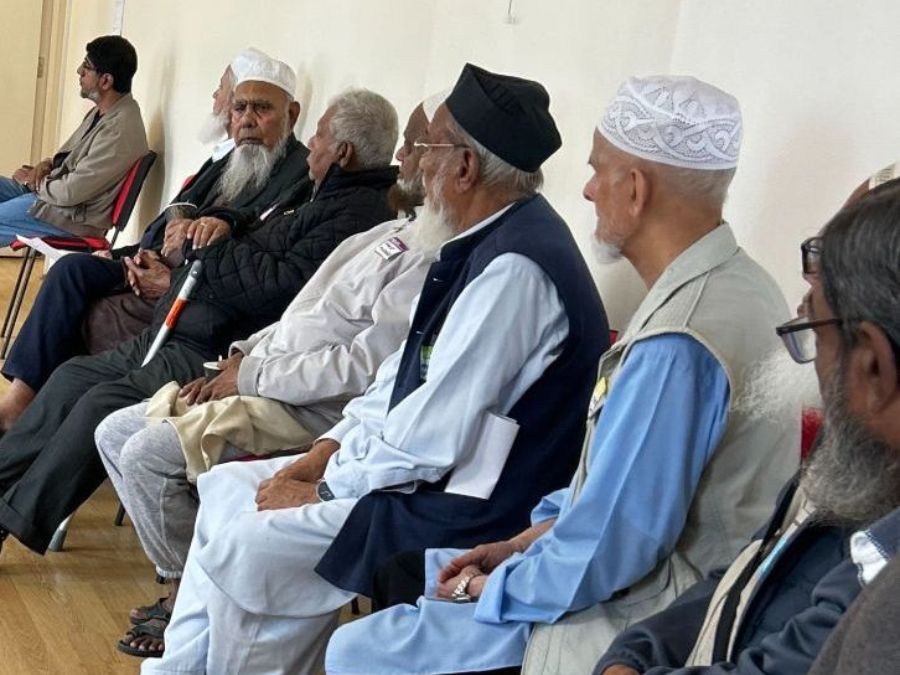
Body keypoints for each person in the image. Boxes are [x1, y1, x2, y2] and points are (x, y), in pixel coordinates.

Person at [324, 75, 798, 675]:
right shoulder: (736, 285)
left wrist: (491, 587)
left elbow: (612, 547)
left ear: (635, 188)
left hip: (655, 615)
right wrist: (523, 542)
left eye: (598, 171)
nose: (588, 190)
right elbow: (611, 491)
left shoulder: (680, 338)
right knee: (414, 575)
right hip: (652, 580)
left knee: (359, 650)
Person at [146, 63, 609, 675]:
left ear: (465, 167)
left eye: (427, 149)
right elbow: (399, 374)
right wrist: (325, 451)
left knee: (254, 544)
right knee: (227, 489)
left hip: (468, 501)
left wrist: (325, 487)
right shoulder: (478, 241)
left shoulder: (514, 271)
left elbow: (433, 432)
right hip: (420, 471)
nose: (411, 166)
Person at [95, 99, 438, 657]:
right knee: (113, 432)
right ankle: (188, 579)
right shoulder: (385, 232)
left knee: (145, 456)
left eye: (415, 144)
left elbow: (362, 368)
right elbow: (300, 315)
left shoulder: (428, 257)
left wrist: (251, 375)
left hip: (307, 409)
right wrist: (239, 358)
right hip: (261, 378)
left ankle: (189, 599)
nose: (401, 156)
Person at [0, 88, 399, 562]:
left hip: (213, 342)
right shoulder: (318, 190)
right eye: (239, 107)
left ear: (342, 152)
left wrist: (207, 250)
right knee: (71, 376)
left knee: (99, 404)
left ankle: (12, 521)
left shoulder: (355, 212)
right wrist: (217, 222)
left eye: (320, 135)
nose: (312, 142)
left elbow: (281, 285)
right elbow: (255, 221)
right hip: (183, 316)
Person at [594, 178, 900, 675]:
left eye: (814, 328)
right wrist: (636, 652)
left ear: (873, 366)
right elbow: (751, 569)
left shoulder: (883, 569)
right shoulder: (857, 449)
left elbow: (611, 546)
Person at [0, 48, 312, 430]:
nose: (246, 119)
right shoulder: (230, 158)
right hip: (160, 258)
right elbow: (181, 204)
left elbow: (252, 254)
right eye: (239, 107)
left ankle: (42, 414)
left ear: (291, 114)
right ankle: (18, 402)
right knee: (70, 272)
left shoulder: (297, 178)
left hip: (193, 284)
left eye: (260, 109)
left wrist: (173, 276)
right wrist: (147, 246)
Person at [0, 35, 147, 245]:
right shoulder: (102, 112)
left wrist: (34, 183)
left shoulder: (120, 130)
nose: (79, 71)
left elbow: (71, 192)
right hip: (52, 195)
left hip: (69, 215)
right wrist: (45, 165)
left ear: (105, 81)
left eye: (86, 67)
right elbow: (68, 160)